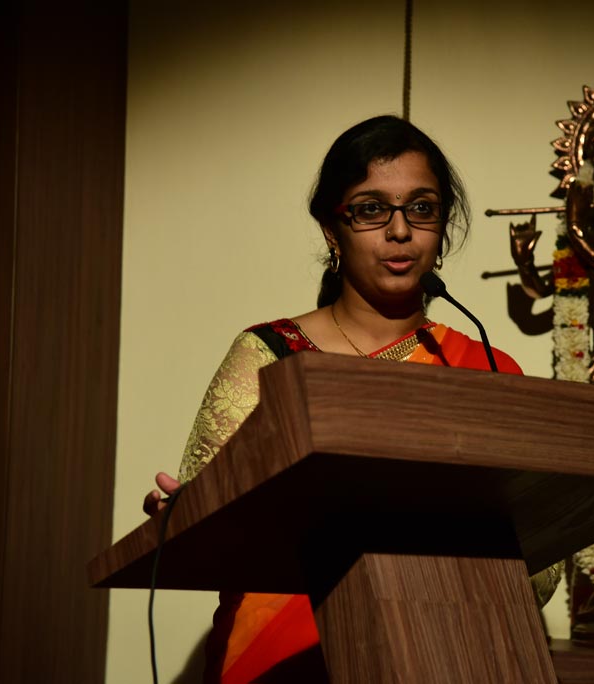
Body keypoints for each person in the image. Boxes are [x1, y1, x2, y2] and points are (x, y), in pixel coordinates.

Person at [143, 114, 523, 683]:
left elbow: (539, 568)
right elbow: (205, 532)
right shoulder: (269, 355)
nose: (400, 231)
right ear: (331, 228)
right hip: (279, 662)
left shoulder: (488, 371)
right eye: (371, 209)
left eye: (422, 208)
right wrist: (183, 519)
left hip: (439, 654)